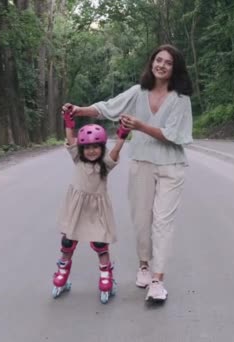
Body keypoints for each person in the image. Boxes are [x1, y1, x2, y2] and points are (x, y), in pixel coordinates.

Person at [62, 44, 193, 303]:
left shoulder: (181, 99)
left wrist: (140, 126)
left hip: (171, 167)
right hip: (141, 162)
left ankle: (157, 280)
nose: (162, 65)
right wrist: (79, 110)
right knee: (141, 220)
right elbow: (107, 108)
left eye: (168, 62)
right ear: (151, 63)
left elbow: (174, 136)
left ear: (174, 68)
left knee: (162, 223)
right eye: (158, 60)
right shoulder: (138, 92)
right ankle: (144, 266)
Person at [51, 109, 131, 304]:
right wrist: (69, 120)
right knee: (68, 243)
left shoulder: (105, 164)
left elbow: (116, 151)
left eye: (96, 147)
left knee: (101, 246)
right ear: (81, 149)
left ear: (101, 148)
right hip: (76, 210)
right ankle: (61, 275)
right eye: (87, 147)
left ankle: (105, 280)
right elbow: (70, 138)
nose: (91, 150)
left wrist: (122, 133)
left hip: (96, 213)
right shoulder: (77, 160)